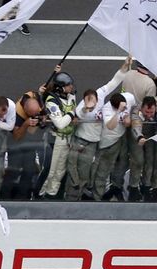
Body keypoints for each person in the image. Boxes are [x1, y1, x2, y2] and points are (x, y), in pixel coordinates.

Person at [66, 62, 129, 201]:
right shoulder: (83, 106)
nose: (92, 102)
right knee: (73, 171)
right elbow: (80, 114)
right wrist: (86, 108)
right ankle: (70, 199)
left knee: (85, 174)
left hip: (93, 143)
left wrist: (124, 68)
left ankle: (80, 198)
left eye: (93, 100)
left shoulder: (100, 95)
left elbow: (114, 82)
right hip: (80, 140)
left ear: (97, 97)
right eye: (88, 100)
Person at [39, 70, 77, 199]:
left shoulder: (71, 97)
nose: (71, 87)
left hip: (67, 140)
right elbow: (60, 123)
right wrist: (72, 114)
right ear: (60, 87)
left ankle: (52, 194)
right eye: (68, 85)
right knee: (50, 171)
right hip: (55, 140)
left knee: (60, 172)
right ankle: (39, 195)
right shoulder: (51, 102)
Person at [93, 92, 135, 201]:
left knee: (122, 164)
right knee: (103, 169)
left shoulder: (129, 97)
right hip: (108, 141)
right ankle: (98, 196)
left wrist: (127, 115)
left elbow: (132, 114)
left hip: (122, 138)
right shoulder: (107, 109)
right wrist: (119, 112)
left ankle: (116, 189)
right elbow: (110, 126)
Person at [5, 91, 46, 200]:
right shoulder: (16, 113)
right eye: (32, 114)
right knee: (13, 171)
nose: (35, 116)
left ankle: (23, 197)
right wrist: (26, 124)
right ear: (26, 111)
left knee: (29, 170)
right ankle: (5, 197)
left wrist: (43, 118)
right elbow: (16, 136)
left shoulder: (35, 98)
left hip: (30, 143)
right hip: (16, 145)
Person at [128, 96, 157, 201]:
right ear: (142, 108)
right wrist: (139, 137)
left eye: (152, 112)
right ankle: (133, 187)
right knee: (138, 160)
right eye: (146, 112)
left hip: (152, 135)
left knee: (151, 160)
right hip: (138, 137)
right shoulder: (135, 112)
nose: (149, 115)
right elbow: (136, 127)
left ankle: (146, 186)